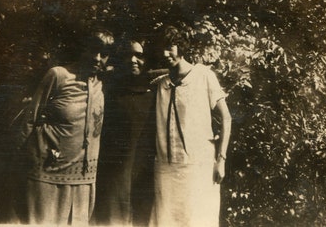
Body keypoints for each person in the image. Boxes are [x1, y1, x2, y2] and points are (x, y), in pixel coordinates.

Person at [17, 33, 110, 225]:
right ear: (83, 48)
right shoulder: (58, 75)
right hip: (47, 174)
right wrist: (16, 162)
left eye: (104, 53)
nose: (97, 57)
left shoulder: (101, 84)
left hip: (83, 178)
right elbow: (30, 119)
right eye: (93, 50)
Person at [150, 26, 232, 227]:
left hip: (198, 169)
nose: (165, 53)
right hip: (166, 169)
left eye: (170, 47)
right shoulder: (161, 84)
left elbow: (227, 118)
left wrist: (221, 160)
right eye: (162, 48)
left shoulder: (203, 76)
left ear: (182, 47)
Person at [94, 39, 157, 226]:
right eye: (128, 55)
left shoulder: (158, 90)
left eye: (139, 55)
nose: (133, 60)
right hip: (114, 171)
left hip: (144, 172)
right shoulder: (108, 89)